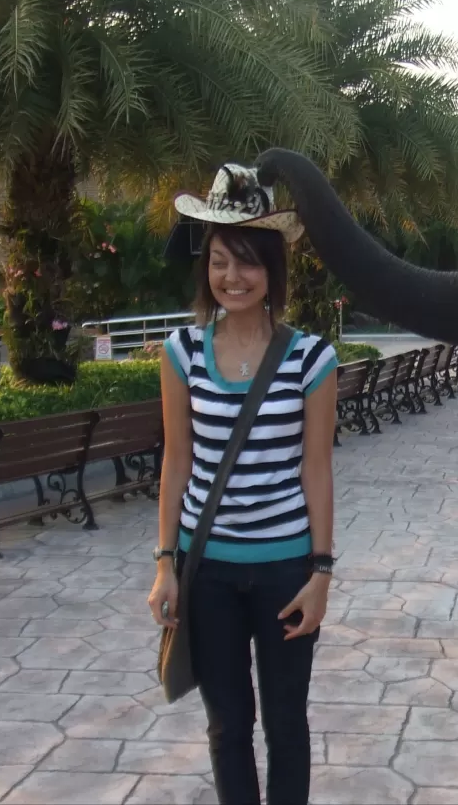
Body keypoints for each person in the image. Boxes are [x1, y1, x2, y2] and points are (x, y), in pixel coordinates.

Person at [148, 165, 338, 805]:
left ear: (273, 270)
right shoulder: (182, 352)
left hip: (286, 570)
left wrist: (321, 572)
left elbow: (316, 467)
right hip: (210, 576)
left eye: (249, 262)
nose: (233, 277)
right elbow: (177, 464)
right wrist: (165, 564)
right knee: (228, 726)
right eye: (222, 261)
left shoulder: (312, 358)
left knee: (287, 725)